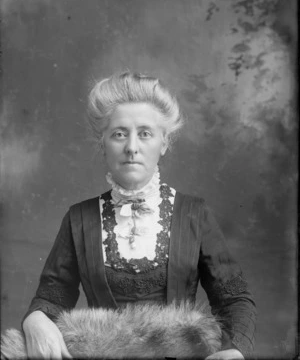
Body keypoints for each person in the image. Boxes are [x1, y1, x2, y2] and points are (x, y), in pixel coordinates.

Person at [22, 72, 257, 359]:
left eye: (145, 133)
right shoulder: (79, 219)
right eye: (119, 133)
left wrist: (234, 350)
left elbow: (234, 299)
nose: (132, 147)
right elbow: (51, 297)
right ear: (103, 143)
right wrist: (35, 319)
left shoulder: (195, 214)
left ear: (164, 143)